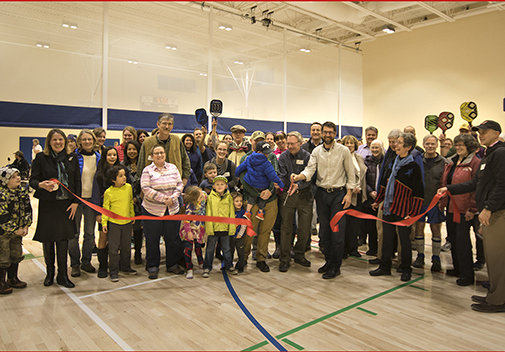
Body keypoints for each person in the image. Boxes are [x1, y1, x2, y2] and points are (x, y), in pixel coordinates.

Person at [438, 120, 505, 312]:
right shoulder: (488, 154)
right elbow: (475, 183)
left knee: (498, 258)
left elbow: (502, 185)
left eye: (486, 132)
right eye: (480, 132)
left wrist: (488, 208)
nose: (481, 134)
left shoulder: (500, 153)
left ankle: (498, 300)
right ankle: (494, 295)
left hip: (497, 213)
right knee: (493, 258)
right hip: (491, 212)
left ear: (496, 133)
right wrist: (448, 188)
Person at [291, 121, 356, 279]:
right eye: (325, 132)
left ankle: (336, 266)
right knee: (324, 232)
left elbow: (351, 173)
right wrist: (300, 176)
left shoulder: (344, 151)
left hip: (339, 195)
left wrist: (349, 194)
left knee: (337, 232)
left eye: (330, 132)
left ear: (335, 134)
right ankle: (328, 261)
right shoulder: (317, 152)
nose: (327, 135)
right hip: (321, 194)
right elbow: (310, 169)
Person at [369, 132, 424, 282]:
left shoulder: (413, 167)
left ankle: (406, 268)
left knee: (404, 241)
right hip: (388, 208)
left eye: (399, 143)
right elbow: (385, 184)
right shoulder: (393, 162)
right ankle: (385, 266)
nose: (395, 145)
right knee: (387, 238)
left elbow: (419, 192)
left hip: (404, 210)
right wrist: (379, 200)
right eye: (395, 142)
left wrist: (413, 213)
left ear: (408, 147)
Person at [30, 129, 81, 288]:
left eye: (61, 139)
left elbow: (76, 181)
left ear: (65, 141)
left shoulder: (71, 158)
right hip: (48, 204)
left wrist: (75, 202)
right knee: (48, 239)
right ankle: (50, 273)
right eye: (55, 140)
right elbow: (33, 180)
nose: (58, 142)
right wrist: (41, 185)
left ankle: (62, 275)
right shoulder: (41, 158)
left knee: (63, 240)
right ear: (49, 142)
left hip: (66, 205)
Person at [439, 133, 480, 286]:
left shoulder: (475, 163)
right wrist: (442, 202)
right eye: (456, 145)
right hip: (450, 206)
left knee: (463, 242)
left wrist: (473, 208)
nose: (458, 148)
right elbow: (446, 182)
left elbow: (477, 188)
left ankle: (467, 274)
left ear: (469, 147)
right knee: (453, 239)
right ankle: (457, 268)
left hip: (465, 209)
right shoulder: (452, 162)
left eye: (461, 145)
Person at [141, 144, 184, 279]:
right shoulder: (147, 170)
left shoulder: (173, 167)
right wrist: (163, 199)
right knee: (152, 239)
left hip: (172, 209)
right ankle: (153, 265)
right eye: (156, 153)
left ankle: (172, 264)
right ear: (152, 156)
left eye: (161, 152)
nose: (159, 155)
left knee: (172, 238)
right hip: (152, 210)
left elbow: (179, 184)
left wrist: (172, 198)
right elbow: (145, 188)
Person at [412, 135, 448, 272]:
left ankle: (436, 259)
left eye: (433, 144)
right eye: (427, 144)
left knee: (435, 230)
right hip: (420, 201)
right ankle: (420, 257)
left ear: (437, 145)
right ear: (423, 144)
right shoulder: (418, 160)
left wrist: (442, 201)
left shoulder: (444, 162)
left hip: (436, 203)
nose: (430, 146)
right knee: (419, 229)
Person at [277, 131, 313, 272]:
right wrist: (290, 184)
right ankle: (284, 258)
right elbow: (282, 175)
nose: (290, 146)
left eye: (293, 144)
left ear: (300, 143)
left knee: (304, 228)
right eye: (288, 144)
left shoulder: (307, 157)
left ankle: (299, 254)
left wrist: (300, 184)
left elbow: (311, 176)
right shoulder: (283, 157)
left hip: (305, 195)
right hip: (288, 195)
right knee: (286, 228)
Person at [69, 129, 101, 277]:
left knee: (89, 233)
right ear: (79, 142)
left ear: (94, 141)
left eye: (90, 139)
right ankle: (75, 264)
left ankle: (86, 261)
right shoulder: (73, 157)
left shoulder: (99, 158)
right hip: (76, 200)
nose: (87, 142)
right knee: (73, 234)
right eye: (84, 139)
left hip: (92, 201)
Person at [369, 128, 402, 265]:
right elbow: (383, 177)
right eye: (390, 142)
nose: (393, 145)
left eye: (395, 142)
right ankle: (382, 257)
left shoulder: (410, 157)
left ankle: (402, 261)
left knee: (400, 233)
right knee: (381, 230)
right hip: (385, 199)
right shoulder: (388, 154)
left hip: (401, 200)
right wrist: (379, 198)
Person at [91, 146, 123, 278]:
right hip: (105, 212)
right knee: (103, 237)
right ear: (104, 156)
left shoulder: (121, 172)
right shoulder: (99, 175)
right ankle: (103, 266)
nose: (112, 157)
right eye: (109, 155)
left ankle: (115, 265)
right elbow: (96, 194)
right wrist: (98, 213)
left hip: (119, 212)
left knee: (117, 240)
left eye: (114, 155)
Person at [102, 165, 137, 282]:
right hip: (114, 224)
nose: (124, 178)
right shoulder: (109, 192)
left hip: (127, 223)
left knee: (126, 246)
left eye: (124, 175)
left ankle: (126, 267)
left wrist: (132, 216)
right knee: (113, 248)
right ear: (113, 179)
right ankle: (113, 271)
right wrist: (104, 223)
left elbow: (130, 203)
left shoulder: (128, 188)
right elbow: (105, 208)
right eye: (120, 176)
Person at [0, 167, 32, 294]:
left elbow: (28, 210)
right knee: (3, 257)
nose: (18, 178)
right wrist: (14, 229)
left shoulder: (22, 193)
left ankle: (12, 278)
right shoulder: (2, 195)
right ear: (5, 180)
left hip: (18, 232)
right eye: (13, 177)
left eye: (18, 175)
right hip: (4, 234)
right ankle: (1, 281)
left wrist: (26, 225)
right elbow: (2, 217)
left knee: (16, 255)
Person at [235, 141, 284, 221]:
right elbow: (273, 175)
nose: (267, 155)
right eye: (266, 153)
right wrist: (280, 184)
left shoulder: (248, 158)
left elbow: (240, 168)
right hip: (263, 185)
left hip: (251, 184)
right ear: (259, 152)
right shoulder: (266, 163)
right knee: (263, 198)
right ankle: (260, 212)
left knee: (252, 197)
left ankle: (247, 212)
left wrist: (236, 174)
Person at [138, 113, 191, 187]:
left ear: (172, 126)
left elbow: (185, 161)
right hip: (153, 188)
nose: (167, 126)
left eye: (170, 124)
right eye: (164, 123)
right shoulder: (147, 142)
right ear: (158, 124)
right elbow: (141, 165)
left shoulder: (177, 140)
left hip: (174, 187)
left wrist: (184, 180)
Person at [202, 175, 236, 278]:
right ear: (213, 186)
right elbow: (208, 213)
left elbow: (231, 213)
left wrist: (231, 228)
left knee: (226, 249)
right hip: (214, 229)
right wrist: (209, 229)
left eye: (222, 184)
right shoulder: (210, 198)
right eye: (217, 184)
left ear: (226, 186)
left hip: (225, 228)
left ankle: (229, 265)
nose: (220, 186)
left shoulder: (229, 197)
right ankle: (207, 267)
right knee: (210, 249)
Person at [341, 134, 367, 258]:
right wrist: (350, 188)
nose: (350, 145)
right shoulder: (341, 158)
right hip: (346, 195)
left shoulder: (359, 157)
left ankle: (353, 248)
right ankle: (344, 249)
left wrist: (359, 187)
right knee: (345, 224)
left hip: (358, 195)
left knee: (355, 224)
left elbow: (362, 175)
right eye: (347, 143)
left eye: (352, 143)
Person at [121, 140, 143, 264]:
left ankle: (138, 252)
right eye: (129, 149)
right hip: (125, 203)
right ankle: (124, 255)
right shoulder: (121, 166)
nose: (132, 152)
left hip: (140, 202)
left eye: (134, 149)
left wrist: (138, 199)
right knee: (125, 229)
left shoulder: (143, 166)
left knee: (138, 229)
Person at [301, 122, 323, 239]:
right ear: (310, 132)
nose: (315, 132)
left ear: (322, 132)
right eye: (313, 130)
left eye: (318, 130)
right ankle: (306, 241)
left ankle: (323, 242)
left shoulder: (327, 146)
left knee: (322, 215)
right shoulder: (304, 148)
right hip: (307, 185)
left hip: (322, 185)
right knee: (307, 215)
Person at [179, 186, 207, 279]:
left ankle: (201, 262)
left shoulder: (204, 197)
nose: (202, 196)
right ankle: (189, 268)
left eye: (202, 193)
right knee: (188, 248)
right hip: (190, 229)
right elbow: (186, 220)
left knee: (199, 246)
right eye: (200, 196)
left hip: (200, 228)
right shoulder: (190, 206)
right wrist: (188, 232)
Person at [363, 139, 384, 256]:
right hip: (370, 198)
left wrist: (381, 193)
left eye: (377, 147)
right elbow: (363, 180)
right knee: (371, 226)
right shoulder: (366, 162)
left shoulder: (385, 162)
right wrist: (370, 192)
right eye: (373, 147)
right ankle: (372, 248)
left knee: (381, 227)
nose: (375, 150)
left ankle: (382, 249)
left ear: (381, 148)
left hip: (382, 198)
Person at [230, 191, 246, 273]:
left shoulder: (243, 212)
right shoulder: (230, 212)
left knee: (241, 253)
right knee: (230, 252)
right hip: (230, 236)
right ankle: (229, 265)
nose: (239, 203)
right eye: (236, 201)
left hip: (240, 237)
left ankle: (241, 266)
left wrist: (240, 234)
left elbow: (244, 225)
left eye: (241, 201)